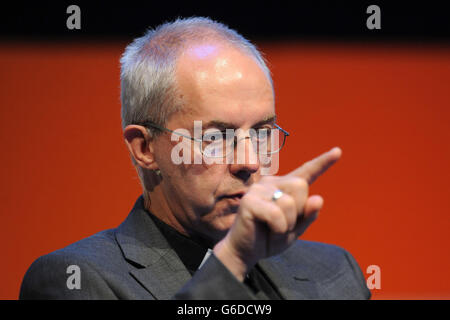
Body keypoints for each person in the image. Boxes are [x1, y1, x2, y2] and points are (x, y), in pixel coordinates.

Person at [19, 17, 370, 300]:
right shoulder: (75, 281)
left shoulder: (335, 273)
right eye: (216, 137)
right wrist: (231, 261)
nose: (249, 161)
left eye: (262, 132)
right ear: (145, 148)